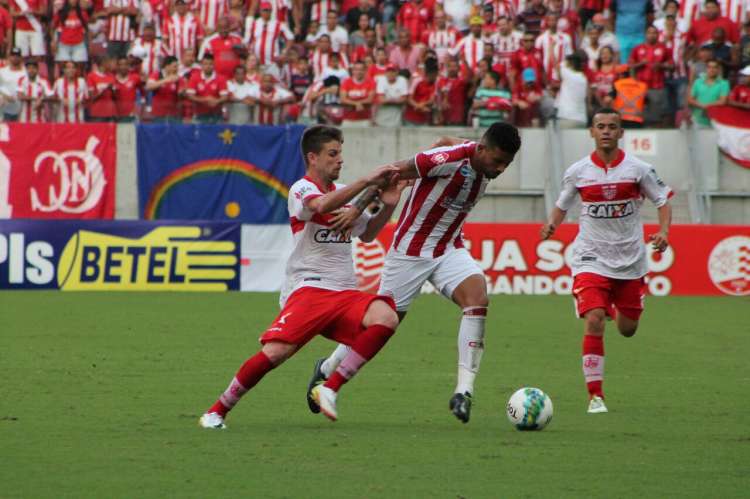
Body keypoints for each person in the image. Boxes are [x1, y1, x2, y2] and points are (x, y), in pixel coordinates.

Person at [308, 121, 522, 424]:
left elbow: (449, 138)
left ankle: (464, 391)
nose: (500, 169)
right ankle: (328, 371)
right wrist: (357, 208)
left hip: (449, 248)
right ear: (483, 149)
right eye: (498, 161)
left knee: (478, 299)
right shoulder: (448, 161)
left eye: (507, 164)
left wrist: (440, 141)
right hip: (410, 251)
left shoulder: (478, 155)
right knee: (382, 324)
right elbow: (390, 173)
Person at [199, 125, 402, 428]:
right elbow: (320, 206)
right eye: (332, 154)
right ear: (313, 158)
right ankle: (216, 411)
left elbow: (370, 233)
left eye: (340, 153)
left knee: (387, 317)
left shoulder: (346, 195)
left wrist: (389, 204)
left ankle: (329, 386)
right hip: (310, 288)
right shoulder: (302, 189)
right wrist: (367, 181)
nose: (339, 160)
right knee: (276, 353)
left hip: (345, 292)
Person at [540, 108, 672, 414]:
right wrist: (551, 225)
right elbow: (562, 204)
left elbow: (663, 201)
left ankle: (614, 303)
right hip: (590, 257)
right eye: (601, 126)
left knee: (627, 329)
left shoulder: (639, 169)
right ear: (592, 132)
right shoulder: (578, 171)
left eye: (613, 126)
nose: (606, 131)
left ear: (621, 132)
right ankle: (595, 396)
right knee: (595, 319)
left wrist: (664, 231)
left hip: (629, 260)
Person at [687, 58, 730, 127]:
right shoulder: (698, 82)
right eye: (709, 67)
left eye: (714, 67)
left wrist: (706, 106)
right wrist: (702, 106)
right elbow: (690, 99)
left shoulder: (724, 83)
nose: (712, 70)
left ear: (718, 70)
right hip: (698, 119)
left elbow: (723, 101)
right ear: (706, 69)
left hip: (716, 121)